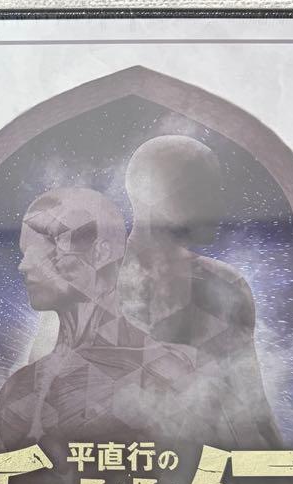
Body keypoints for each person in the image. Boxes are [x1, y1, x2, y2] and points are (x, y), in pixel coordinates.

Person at [0, 187, 208, 484]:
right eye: (25, 251)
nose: (25, 264)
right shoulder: (17, 390)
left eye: (50, 244)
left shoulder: (166, 375)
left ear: (101, 253)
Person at [117, 135, 282, 448]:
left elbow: (255, 412)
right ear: (158, 194)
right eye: (203, 191)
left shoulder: (225, 286)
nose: (219, 206)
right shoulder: (89, 285)